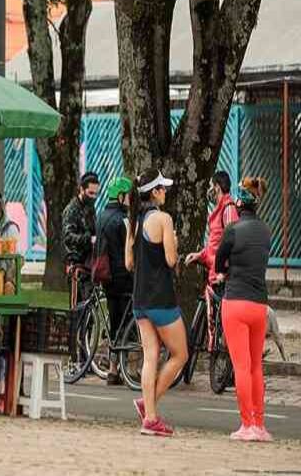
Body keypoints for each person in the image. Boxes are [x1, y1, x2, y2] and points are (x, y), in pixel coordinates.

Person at [124, 169, 187, 437]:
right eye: (162, 188)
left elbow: (129, 263)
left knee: (150, 355)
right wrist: (174, 242)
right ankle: (147, 406)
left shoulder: (133, 221)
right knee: (180, 354)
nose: (165, 191)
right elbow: (172, 261)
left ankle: (149, 414)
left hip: (140, 299)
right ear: (154, 192)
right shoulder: (164, 219)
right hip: (161, 298)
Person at [215, 177, 272, 442]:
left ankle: (246, 424)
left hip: (235, 302)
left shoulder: (233, 230)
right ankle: (260, 425)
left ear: (240, 204)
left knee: (241, 366)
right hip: (260, 304)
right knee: (256, 366)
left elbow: (218, 263)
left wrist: (226, 272)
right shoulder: (266, 232)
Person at [95, 176, 134, 386]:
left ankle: (112, 369)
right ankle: (128, 367)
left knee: (114, 321)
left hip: (106, 277)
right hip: (124, 277)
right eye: (129, 196)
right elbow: (130, 249)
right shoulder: (124, 220)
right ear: (121, 197)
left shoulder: (101, 216)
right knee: (128, 321)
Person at [186, 171, 238, 285]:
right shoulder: (219, 210)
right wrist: (200, 255)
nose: (209, 190)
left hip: (221, 277)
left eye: (210, 186)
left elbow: (232, 244)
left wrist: (223, 273)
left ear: (217, 187)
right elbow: (215, 244)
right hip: (214, 272)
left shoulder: (228, 209)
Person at [63, 172, 100, 304]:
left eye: (96, 194)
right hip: (77, 268)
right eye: (90, 193)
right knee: (78, 311)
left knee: (89, 309)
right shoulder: (72, 210)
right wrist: (88, 239)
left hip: (89, 266)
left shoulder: (90, 208)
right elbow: (68, 237)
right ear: (81, 189)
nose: (94, 197)